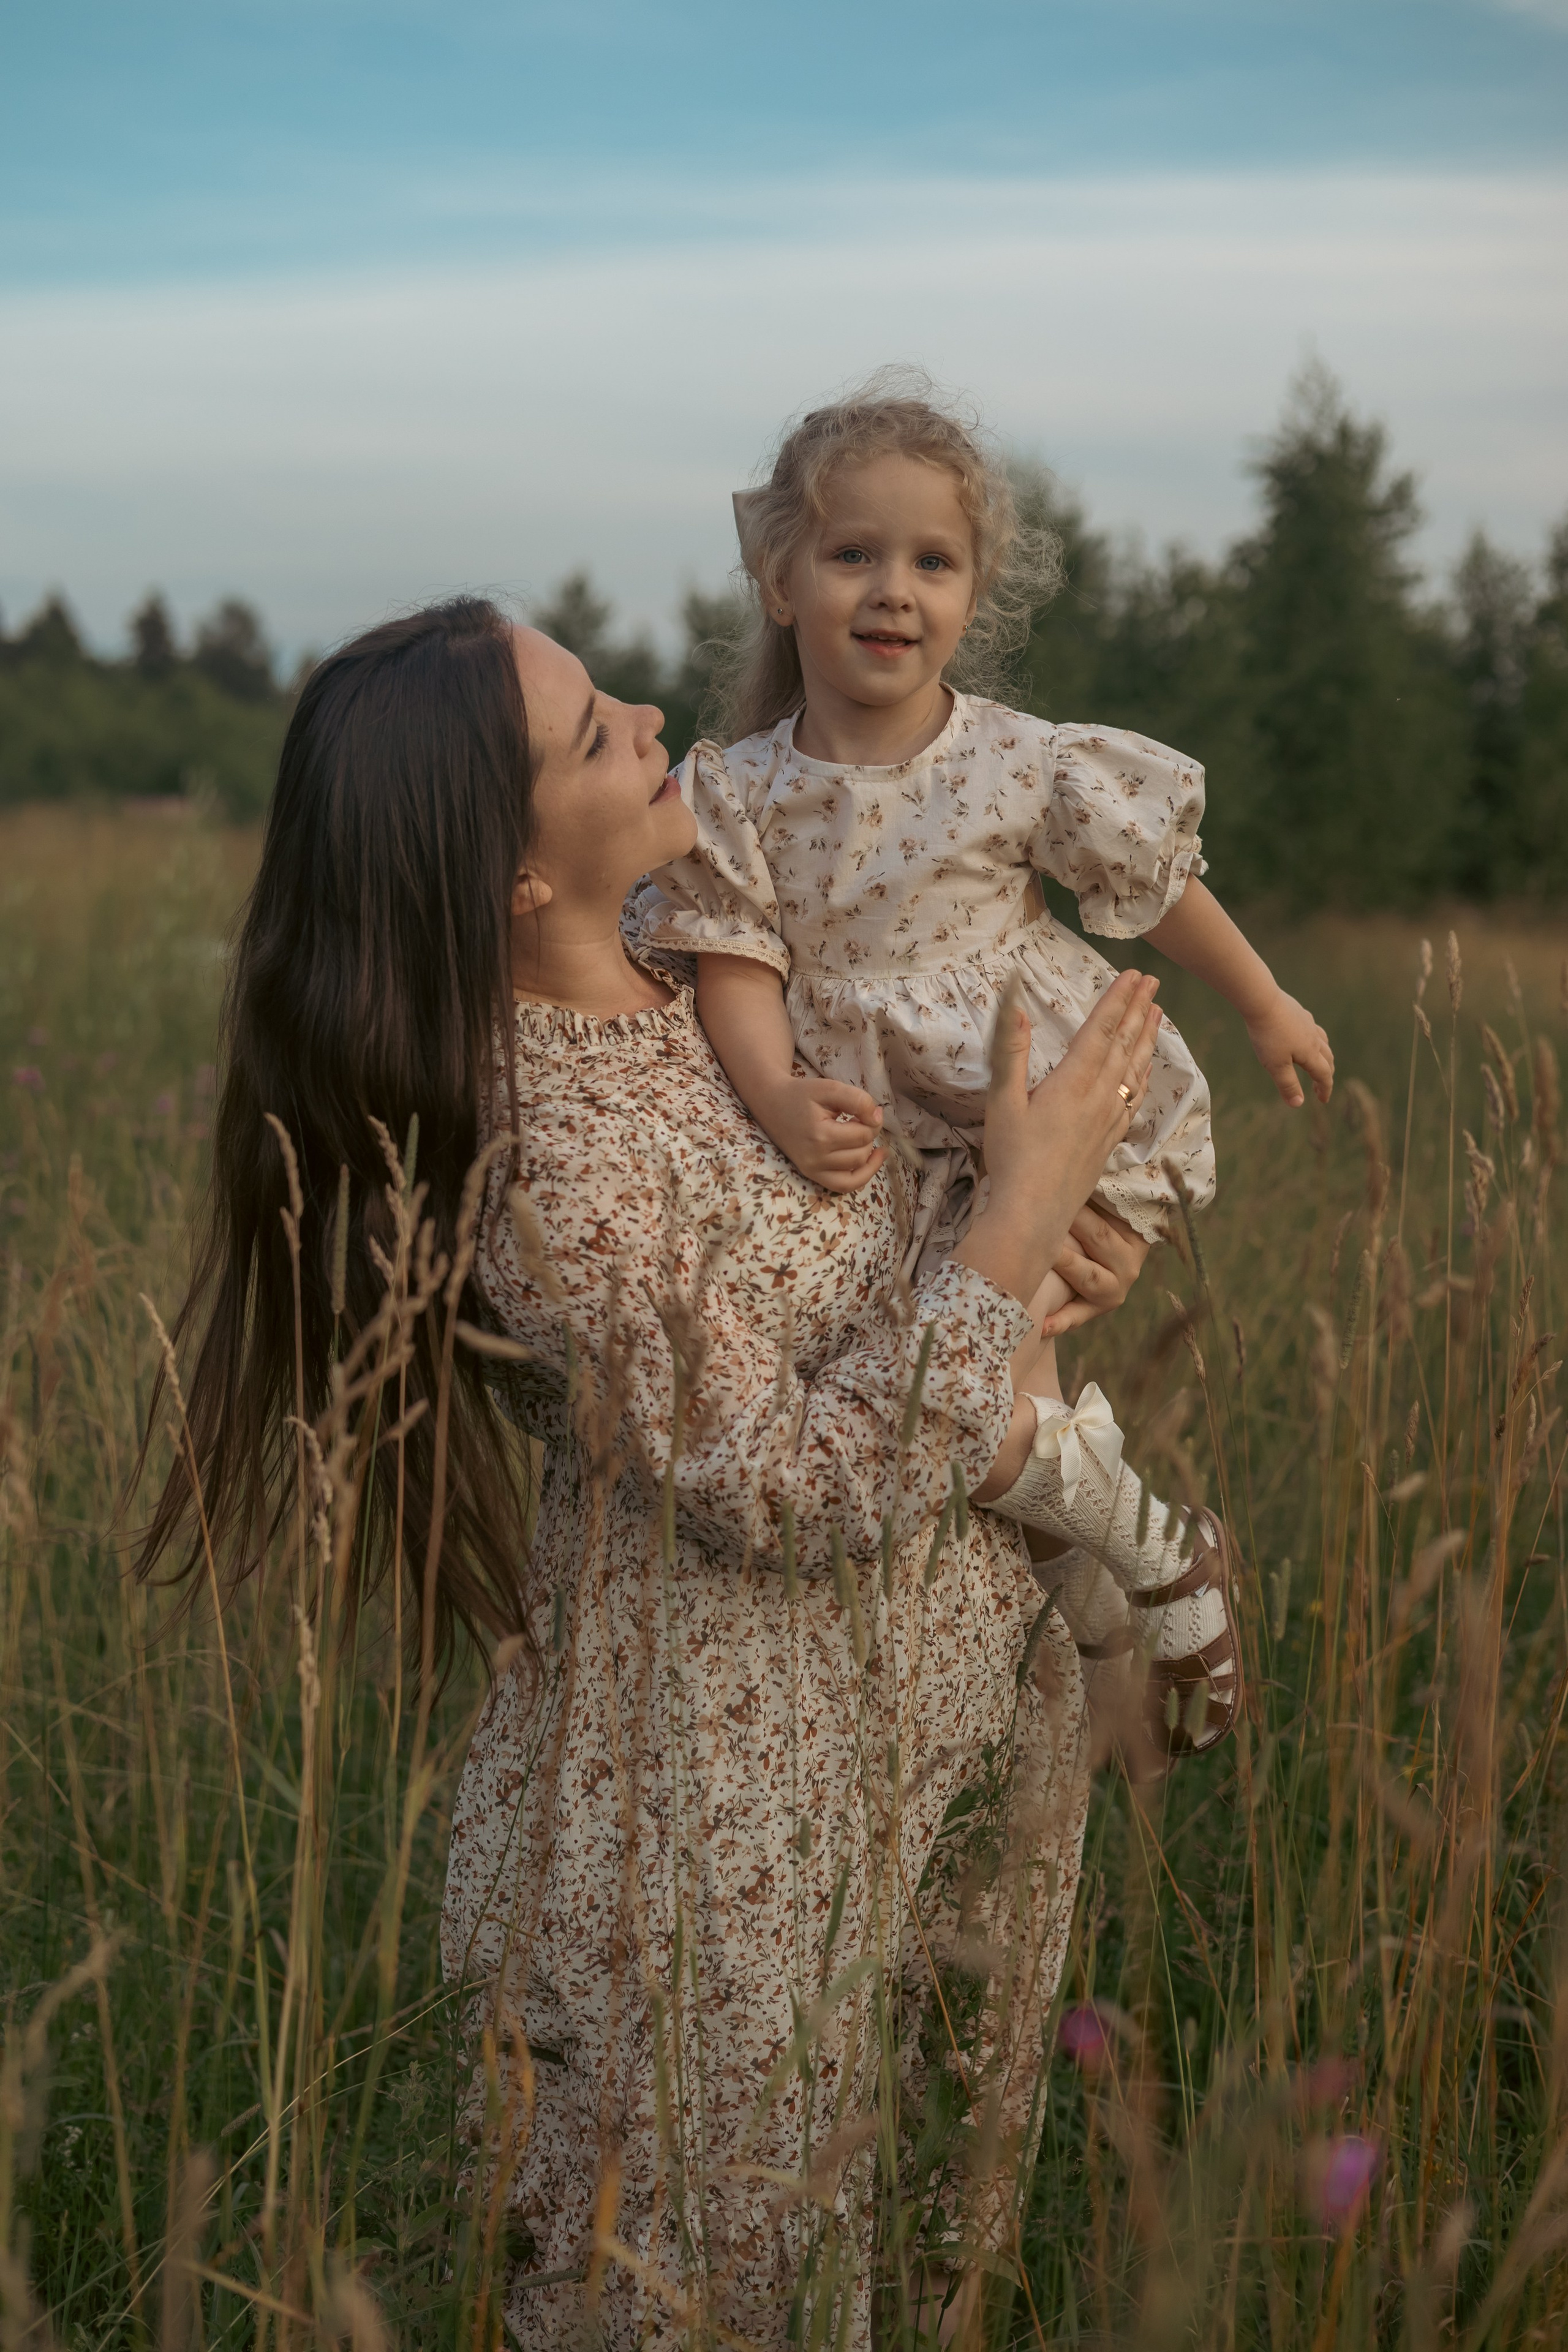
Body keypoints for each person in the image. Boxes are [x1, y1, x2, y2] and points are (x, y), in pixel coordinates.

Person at [135, 595, 1164, 2345]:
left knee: (927, 2269)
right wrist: (1012, 1221)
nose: (645, 716)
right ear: (513, 876)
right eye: (586, 726)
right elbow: (784, 1488)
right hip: (720, 1837)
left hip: (929, 1743)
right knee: (731, 2294)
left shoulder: (710, 974)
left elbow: (904, 1256)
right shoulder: (546, 1166)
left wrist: (1050, 1239)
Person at [640, 372, 1334, 1733]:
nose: (892, 590)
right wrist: (774, 1090)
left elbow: (1158, 887)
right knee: (961, 1420)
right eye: (853, 554)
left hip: (1012, 1114)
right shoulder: (741, 788)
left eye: (931, 562)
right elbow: (735, 962)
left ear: (973, 595)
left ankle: (1157, 1579)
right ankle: (1119, 1626)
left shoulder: (1021, 763)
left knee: (981, 1403)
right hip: (859, 1143)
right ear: (781, 582)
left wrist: (1262, 1001)